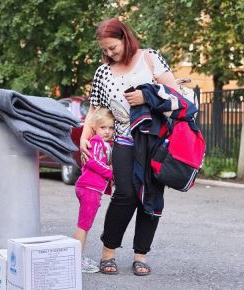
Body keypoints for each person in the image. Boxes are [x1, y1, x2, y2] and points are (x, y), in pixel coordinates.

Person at [80, 18, 179, 276]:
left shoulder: (150, 59)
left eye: (112, 47)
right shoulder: (103, 72)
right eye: (105, 50)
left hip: (156, 141)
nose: (109, 53)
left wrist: (148, 96)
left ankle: (140, 255)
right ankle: (108, 251)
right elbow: (95, 109)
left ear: (125, 38)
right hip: (124, 139)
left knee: (151, 196)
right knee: (125, 193)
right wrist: (84, 137)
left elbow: (177, 95)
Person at [73, 108, 115, 273]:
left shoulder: (104, 143)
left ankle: (77, 258)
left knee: (85, 225)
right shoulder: (96, 142)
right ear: (95, 128)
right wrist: (111, 174)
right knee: (83, 226)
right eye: (103, 127)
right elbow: (92, 162)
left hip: (91, 188)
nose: (107, 131)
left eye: (111, 128)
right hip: (89, 188)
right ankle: (76, 261)